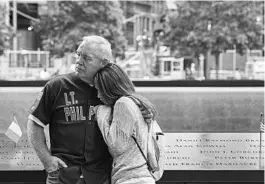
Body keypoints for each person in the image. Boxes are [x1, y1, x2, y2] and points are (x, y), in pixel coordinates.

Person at [27, 35, 152, 184]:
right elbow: (34, 124)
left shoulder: (114, 94)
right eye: (78, 54)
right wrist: (46, 159)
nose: (79, 60)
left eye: (86, 58)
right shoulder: (57, 86)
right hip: (62, 175)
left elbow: (138, 123)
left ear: (104, 63)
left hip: (101, 177)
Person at [93, 63, 158, 184]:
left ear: (109, 88)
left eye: (99, 90)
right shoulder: (135, 103)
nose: (98, 95)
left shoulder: (123, 104)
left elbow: (117, 146)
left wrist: (101, 113)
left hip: (132, 179)